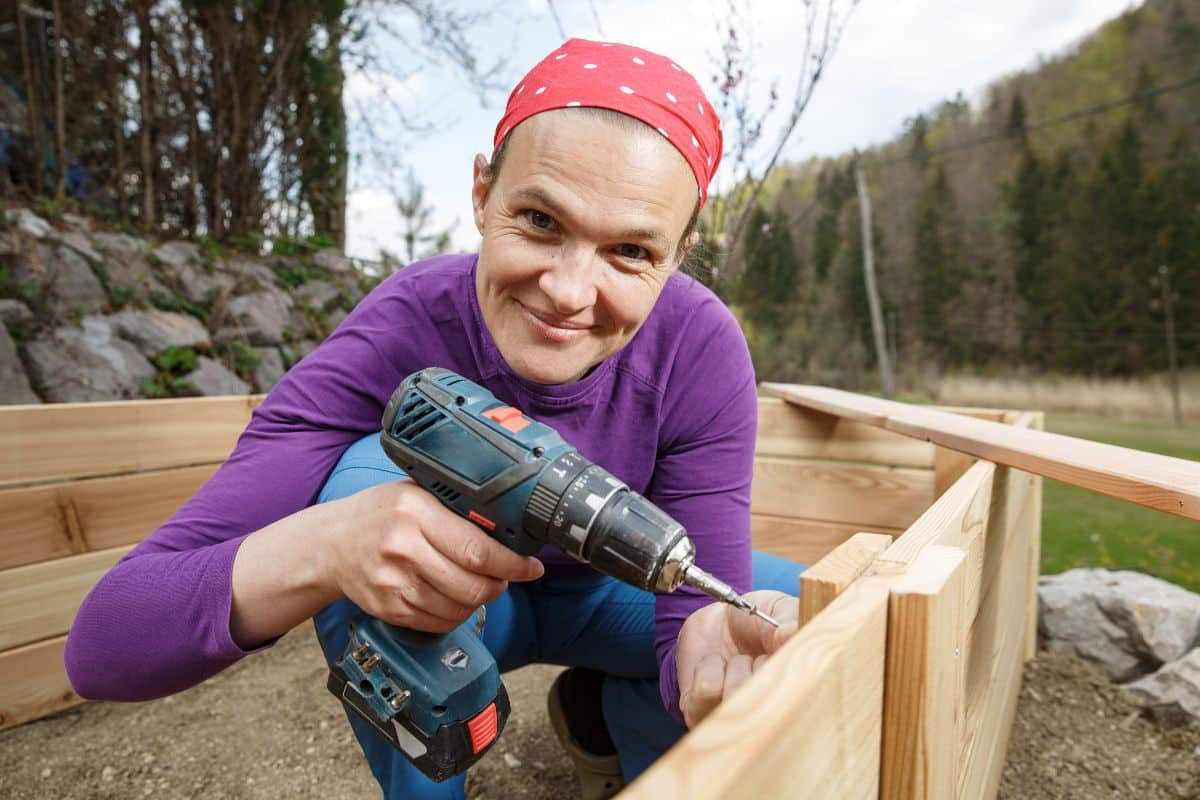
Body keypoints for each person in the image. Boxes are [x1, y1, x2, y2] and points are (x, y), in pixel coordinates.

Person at [64, 38, 804, 799]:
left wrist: (704, 654)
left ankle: (606, 715)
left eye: (630, 251)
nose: (570, 292)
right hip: (463, 621)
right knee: (361, 488)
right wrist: (329, 547)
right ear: (483, 193)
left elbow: (699, 617)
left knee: (799, 616)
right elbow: (106, 643)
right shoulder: (400, 332)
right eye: (542, 220)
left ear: (678, 253)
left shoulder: (699, 346)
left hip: (607, 602)